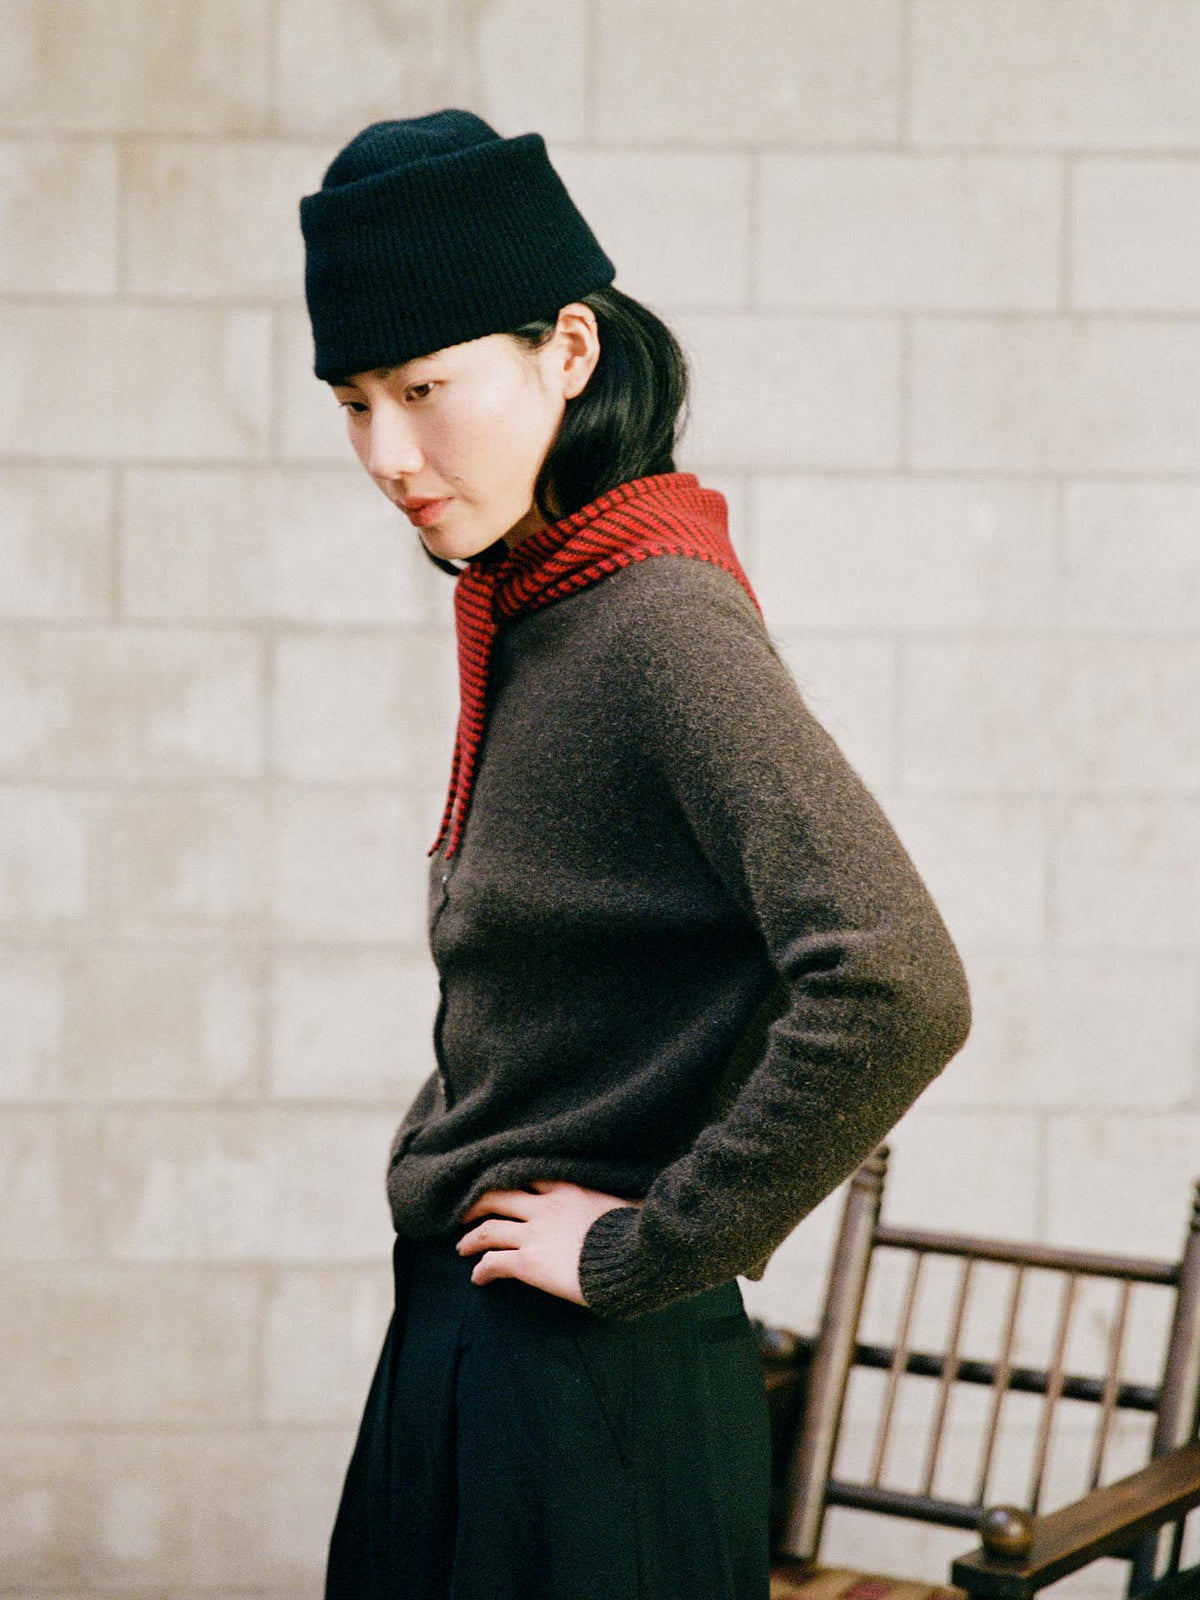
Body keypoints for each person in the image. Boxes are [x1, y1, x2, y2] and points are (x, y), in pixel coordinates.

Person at [299, 109, 974, 1600]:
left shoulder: (655, 617)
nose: (389, 455)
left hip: (588, 1391)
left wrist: (653, 1245)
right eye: (352, 401)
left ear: (570, 354)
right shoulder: (535, 602)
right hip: (478, 1351)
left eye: (426, 386)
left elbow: (899, 981)